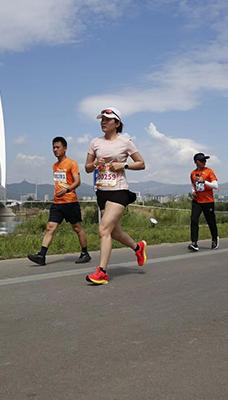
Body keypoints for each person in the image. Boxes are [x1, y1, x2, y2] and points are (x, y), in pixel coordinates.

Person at [83, 107, 147, 284]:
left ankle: (102, 272)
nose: (103, 122)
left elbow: (141, 163)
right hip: (102, 192)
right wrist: (95, 163)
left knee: (103, 230)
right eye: (102, 119)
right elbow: (87, 168)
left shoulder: (125, 142)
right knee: (116, 233)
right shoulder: (95, 142)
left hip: (119, 191)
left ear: (117, 123)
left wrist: (123, 165)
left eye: (107, 119)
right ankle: (138, 247)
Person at [27, 137, 92, 266]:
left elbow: (77, 182)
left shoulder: (71, 163)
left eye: (58, 147)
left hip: (70, 202)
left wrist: (66, 190)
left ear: (65, 148)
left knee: (77, 228)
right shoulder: (55, 165)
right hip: (57, 203)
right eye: (54, 148)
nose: (55, 150)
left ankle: (85, 253)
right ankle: (41, 256)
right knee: (50, 228)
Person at [188, 153, 220, 251]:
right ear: (196, 162)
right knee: (194, 220)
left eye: (205, 160)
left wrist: (204, 181)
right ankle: (194, 243)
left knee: (211, 221)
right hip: (197, 200)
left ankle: (214, 239)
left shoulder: (209, 171)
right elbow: (193, 185)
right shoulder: (193, 173)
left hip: (208, 201)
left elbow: (215, 186)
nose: (204, 162)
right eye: (202, 160)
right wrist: (193, 191)